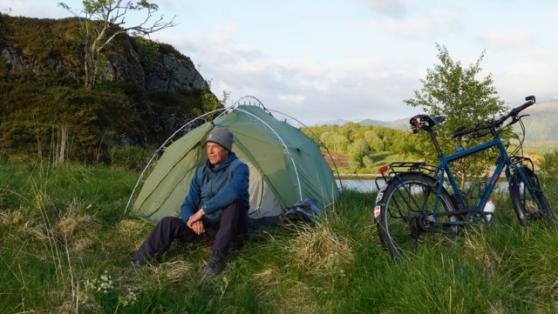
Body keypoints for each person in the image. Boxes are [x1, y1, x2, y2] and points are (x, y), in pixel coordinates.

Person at [132, 127, 250, 276]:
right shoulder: (201, 172)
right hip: (206, 229)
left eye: (215, 147)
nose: (210, 151)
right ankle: (140, 261)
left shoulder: (240, 168)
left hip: (231, 229)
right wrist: (191, 219)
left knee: (234, 203)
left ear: (226, 149)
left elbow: (234, 191)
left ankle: (216, 262)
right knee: (167, 222)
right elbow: (188, 203)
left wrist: (201, 212)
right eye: (208, 146)